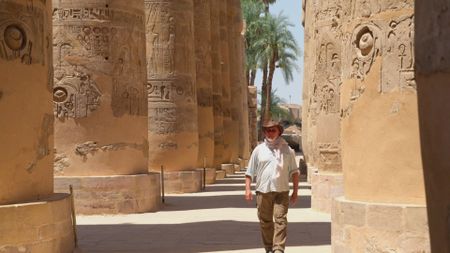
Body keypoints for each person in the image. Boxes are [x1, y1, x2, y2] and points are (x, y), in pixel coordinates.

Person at [245, 120, 299, 253]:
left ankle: (278, 249)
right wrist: (247, 189)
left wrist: (295, 192)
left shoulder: (288, 150)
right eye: (267, 130)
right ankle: (269, 248)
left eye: (273, 130)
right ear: (264, 132)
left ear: (279, 131)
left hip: (281, 191)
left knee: (280, 220)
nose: (270, 133)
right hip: (263, 191)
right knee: (265, 221)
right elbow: (250, 172)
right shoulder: (259, 150)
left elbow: (294, 172)